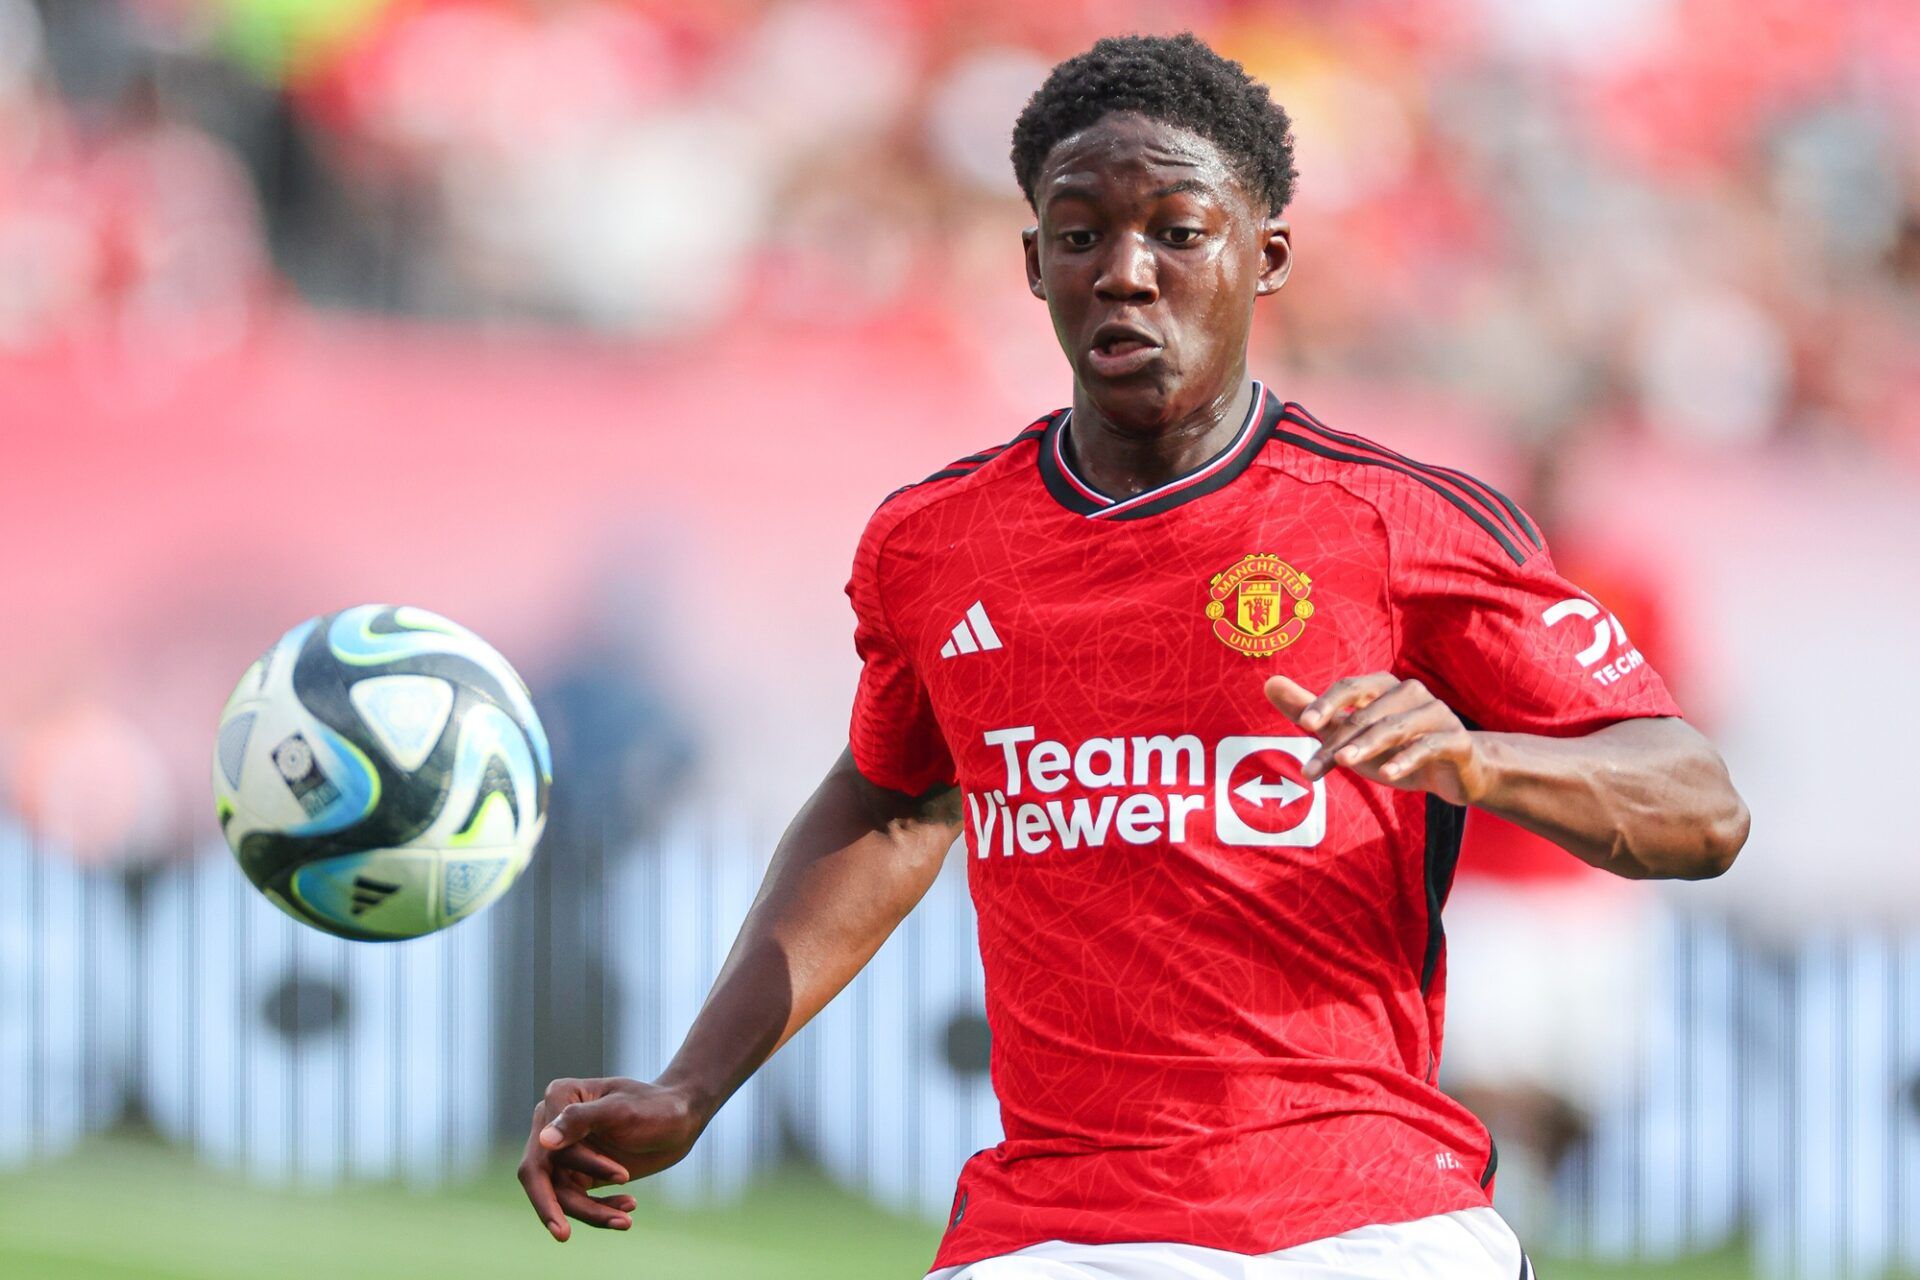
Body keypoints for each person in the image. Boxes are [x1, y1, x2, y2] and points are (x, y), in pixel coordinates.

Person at [516, 34, 1749, 1279]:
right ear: (1033, 262)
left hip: (1365, 1220)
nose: (1125, 273)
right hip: (1051, 1230)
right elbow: (895, 804)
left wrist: (1481, 760)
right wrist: (691, 1083)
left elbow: (1699, 805)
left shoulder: (1394, 522)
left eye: (1177, 230)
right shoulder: (935, 543)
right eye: (1081, 232)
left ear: (1265, 256)